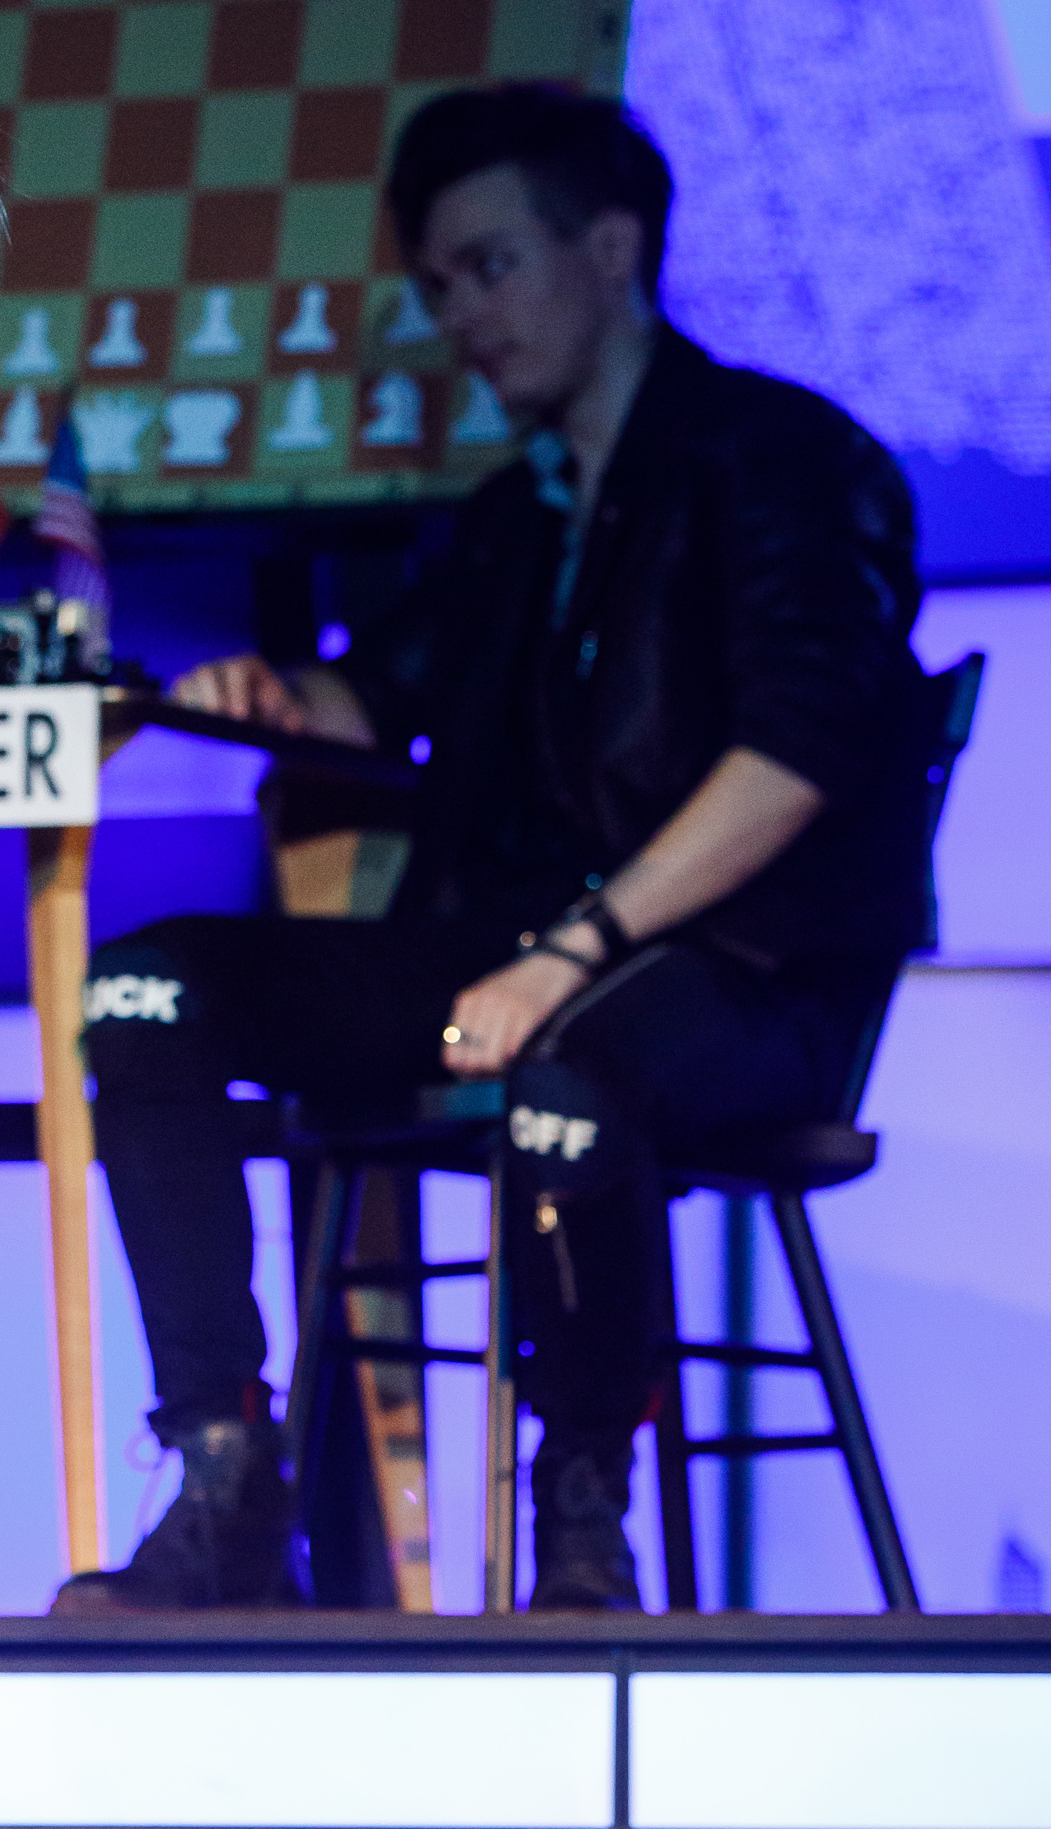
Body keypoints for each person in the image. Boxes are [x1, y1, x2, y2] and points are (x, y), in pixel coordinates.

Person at [65, 83, 933, 1616]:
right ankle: (225, 1471)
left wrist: (575, 952)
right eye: (440, 285)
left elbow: (799, 756)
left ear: (613, 248)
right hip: (510, 952)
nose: (462, 316)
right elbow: (383, 697)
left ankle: (582, 1515)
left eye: (490, 267)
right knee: (143, 989)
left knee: (567, 1075)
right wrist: (278, 699)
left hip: (741, 972)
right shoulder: (510, 518)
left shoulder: (786, 458)